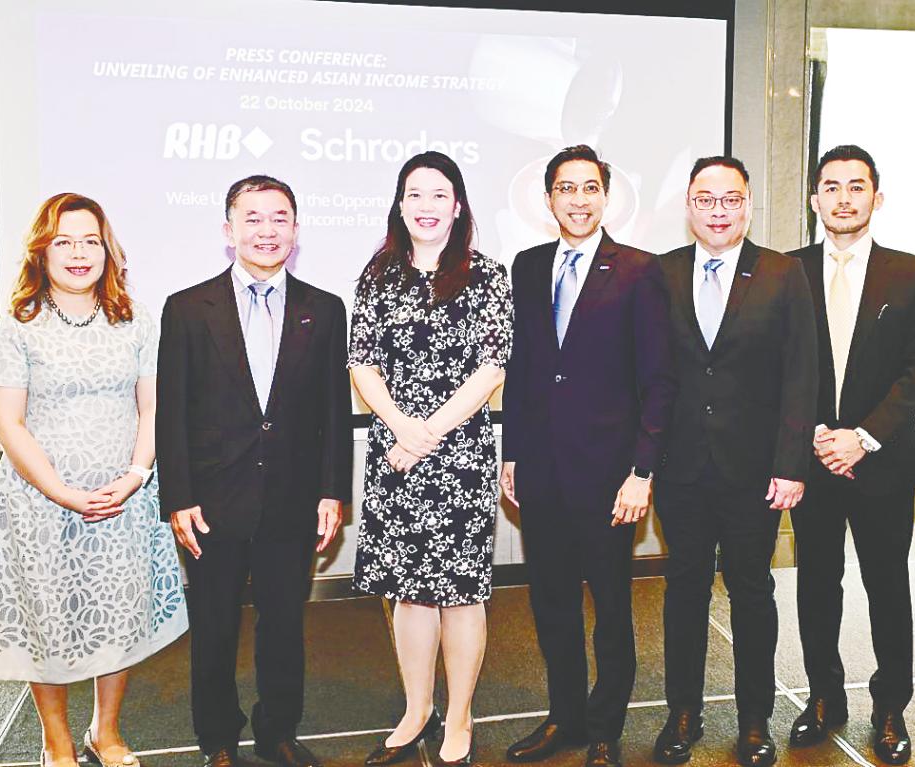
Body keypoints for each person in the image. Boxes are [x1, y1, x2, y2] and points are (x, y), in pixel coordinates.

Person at [0, 193, 188, 767]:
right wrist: (61, 492)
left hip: (123, 500)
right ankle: (55, 740)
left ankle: (106, 732)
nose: (79, 252)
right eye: (64, 241)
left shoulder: (135, 318)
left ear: (107, 249)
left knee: (116, 611)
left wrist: (137, 475)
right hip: (41, 502)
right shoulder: (20, 323)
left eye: (90, 240)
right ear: (43, 251)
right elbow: (5, 421)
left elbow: (152, 410)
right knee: (49, 616)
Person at [155, 175, 352, 767]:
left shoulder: (324, 308)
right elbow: (172, 412)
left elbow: (333, 412)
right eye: (254, 218)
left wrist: (332, 491)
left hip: (292, 500)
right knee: (214, 628)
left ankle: (278, 731)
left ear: (296, 230)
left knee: (284, 624)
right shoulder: (188, 308)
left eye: (280, 218)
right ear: (228, 229)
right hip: (211, 503)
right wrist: (179, 496)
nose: (267, 230)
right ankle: (217, 738)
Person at [500, 145, 676, 767]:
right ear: (548, 199)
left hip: (610, 477)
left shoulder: (640, 270)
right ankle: (564, 718)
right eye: (566, 189)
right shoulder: (524, 266)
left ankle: (605, 726)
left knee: (610, 607)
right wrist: (512, 455)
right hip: (542, 472)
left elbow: (658, 379)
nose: (579, 199)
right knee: (550, 603)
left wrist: (642, 471)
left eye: (589, 188)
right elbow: (520, 372)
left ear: (606, 196)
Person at [348, 151, 512, 767]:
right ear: (399, 204)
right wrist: (401, 428)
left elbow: (491, 366)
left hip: (460, 454)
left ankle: (460, 715)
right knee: (409, 595)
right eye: (413, 194)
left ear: (458, 205)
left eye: (438, 195)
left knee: (461, 595)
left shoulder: (486, 274)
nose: (425, 206)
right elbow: (361, 361)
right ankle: (417, 708)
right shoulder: (378, 274)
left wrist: (429, 433)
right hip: (395, 453)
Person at [652, 156, 817, 767]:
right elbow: (652, 375)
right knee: (684, 591)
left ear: (747, 204)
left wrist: (792, 463)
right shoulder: (662, 274)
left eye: (729, 199)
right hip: (681, 468)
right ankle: (683, 715)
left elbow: (802, 375)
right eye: (705, 198)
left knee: (753, 593)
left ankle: (754, 720)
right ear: (689, 206)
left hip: (756, 473)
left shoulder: (783, 273)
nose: (717, 209)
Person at [787, 145, 915, 765]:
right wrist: (818, 438)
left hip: (882, 461)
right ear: (814, 198)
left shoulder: (911, 271)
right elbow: (778, 370)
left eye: (856, 187)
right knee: (817, 584)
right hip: (813, 460)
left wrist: (864, 437)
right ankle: (824, 697)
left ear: (876, 197)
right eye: (831, 186)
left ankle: (890, 706)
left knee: (887, 586)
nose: (843, 197)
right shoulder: (786, 270)